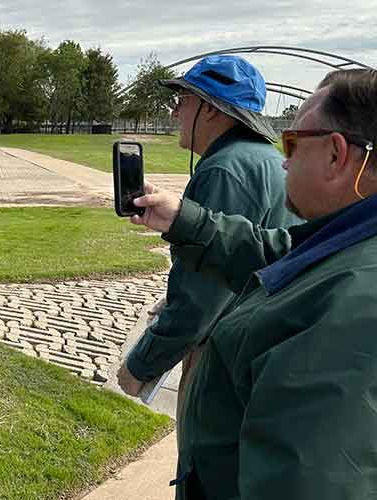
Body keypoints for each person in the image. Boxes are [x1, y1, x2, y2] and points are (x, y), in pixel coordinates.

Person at [129, 68, 377, 499]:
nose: (283, 160)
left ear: (337, 155)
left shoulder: (350, 308)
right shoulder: (350, 247)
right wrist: (185, 220)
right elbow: (282, 253)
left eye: (293, 142)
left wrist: (142, 365)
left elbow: (310, 480)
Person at [116, 55, 299, 404]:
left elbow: (202, 297)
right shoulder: (269, 159)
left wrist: (141, 365)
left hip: (225, 360)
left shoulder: (224, 170)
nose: (174, 113)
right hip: (264, 351)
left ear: (211, 109)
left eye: (182, 101)